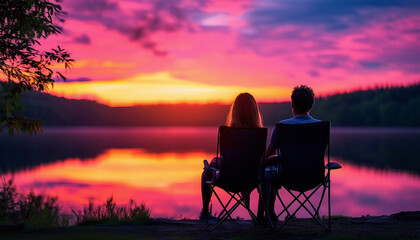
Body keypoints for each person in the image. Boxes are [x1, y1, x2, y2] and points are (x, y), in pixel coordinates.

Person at [200, 92, 264, 220]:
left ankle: (205, 213)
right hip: (251, 179)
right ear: (255, 112)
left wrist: (214, 163)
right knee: (265, 175)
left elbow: (228, 161)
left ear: (234, 111)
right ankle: (259, 217)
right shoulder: (259, 134)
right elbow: (259, 162)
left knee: (206, 173)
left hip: (228, 179)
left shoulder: (227, 134)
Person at [264, 85, 320, 220]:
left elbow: (266, 157)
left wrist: (276, 158)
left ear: (292, 104)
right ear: (311, 105)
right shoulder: (320, 127)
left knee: (269, 171)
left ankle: (269, 213)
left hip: (286, 177)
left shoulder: (281, 126)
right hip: (314, 177)